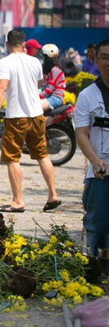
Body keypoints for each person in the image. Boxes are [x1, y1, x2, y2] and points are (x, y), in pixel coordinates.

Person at [0, 28, 59, 213]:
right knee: (42, 156)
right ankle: (53, 195)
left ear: (7, 44)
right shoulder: (34, 61)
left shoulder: (5, 62)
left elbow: (1, 88)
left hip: (17, 117)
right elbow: (39, 84)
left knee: (12, 158)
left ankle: (18, 200)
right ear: (24, 44)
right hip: (36, 115)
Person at [75, 39, 109, 258]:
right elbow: (81, 133)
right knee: (96, 220)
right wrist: (95, 160)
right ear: (95, 60)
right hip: (100, 170)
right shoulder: (87, 96)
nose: (108, 62)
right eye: (104, 57)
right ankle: (95, 263)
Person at [39, 44, 66, 111]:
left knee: (34, 107)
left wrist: (35, 97)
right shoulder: (51, 70)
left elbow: (49, 90)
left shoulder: (55, 70)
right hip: (49, 97)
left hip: (55, 98)